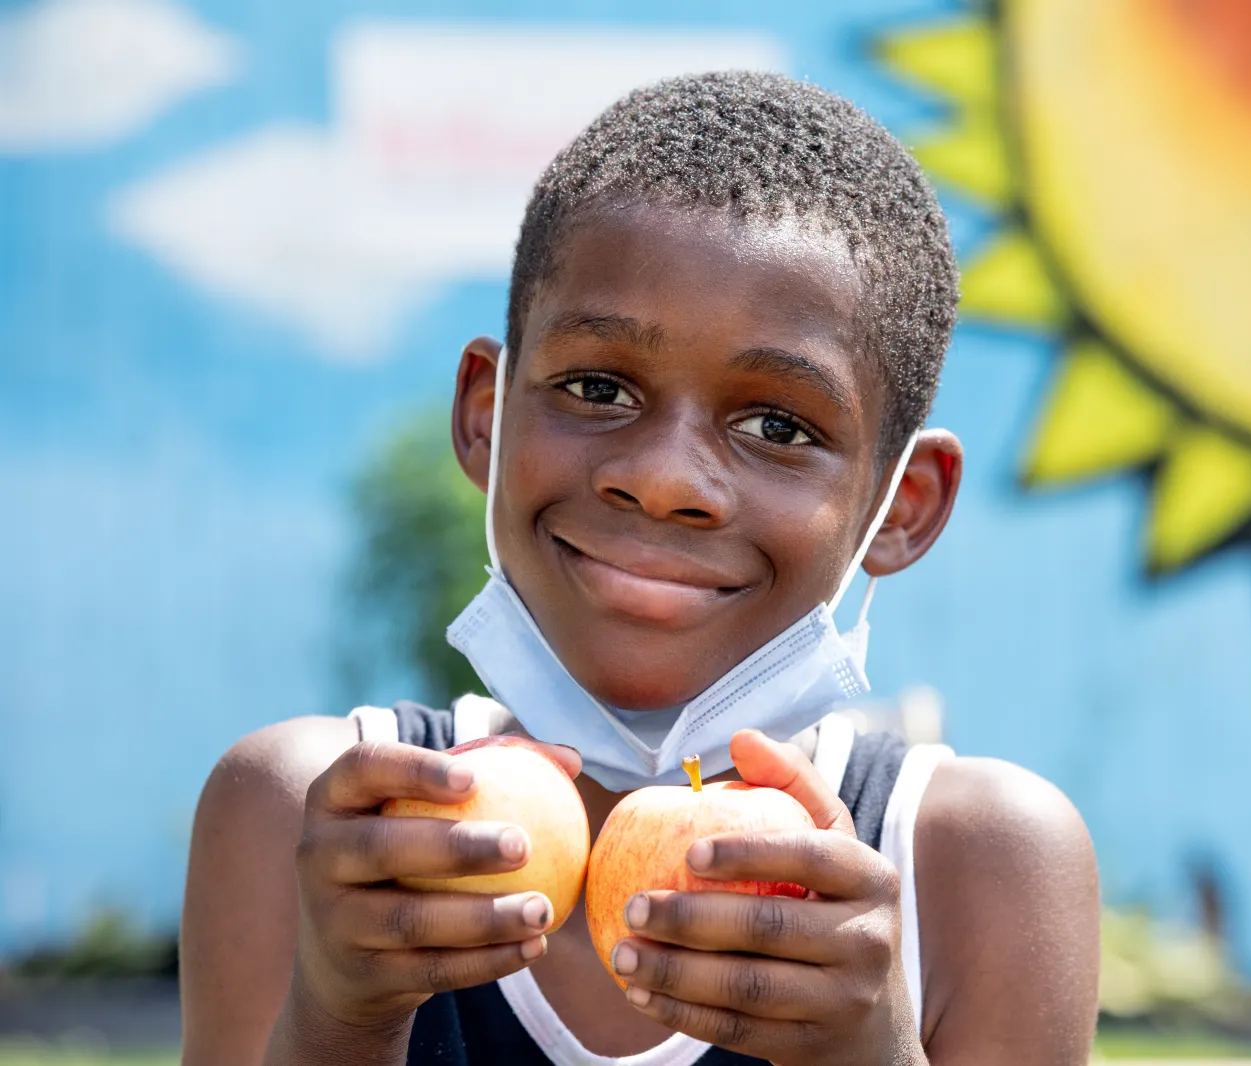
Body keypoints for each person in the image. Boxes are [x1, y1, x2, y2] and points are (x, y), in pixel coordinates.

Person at [179, 72, 1099, 1066]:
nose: (663, 482)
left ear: (903, 504)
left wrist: (866, 1051)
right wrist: (340, 1016)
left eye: (778, 425)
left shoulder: (970, 863)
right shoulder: (308, 817)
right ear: (487, 415)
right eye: (597, 386)